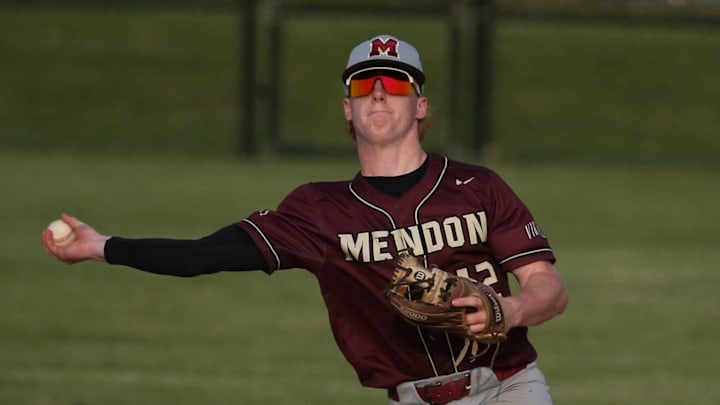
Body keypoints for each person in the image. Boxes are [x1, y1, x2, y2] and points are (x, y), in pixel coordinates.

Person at [42, 34, 569, 405]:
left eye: (395, 83)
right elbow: (202, 255)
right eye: (364, 87)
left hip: (508, 388)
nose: (379, 93)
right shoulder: (317, 212)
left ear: (421, 105)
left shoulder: (478, 186)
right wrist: (100, 245)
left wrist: (511, 308)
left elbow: (549, 286)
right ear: (347, 108)